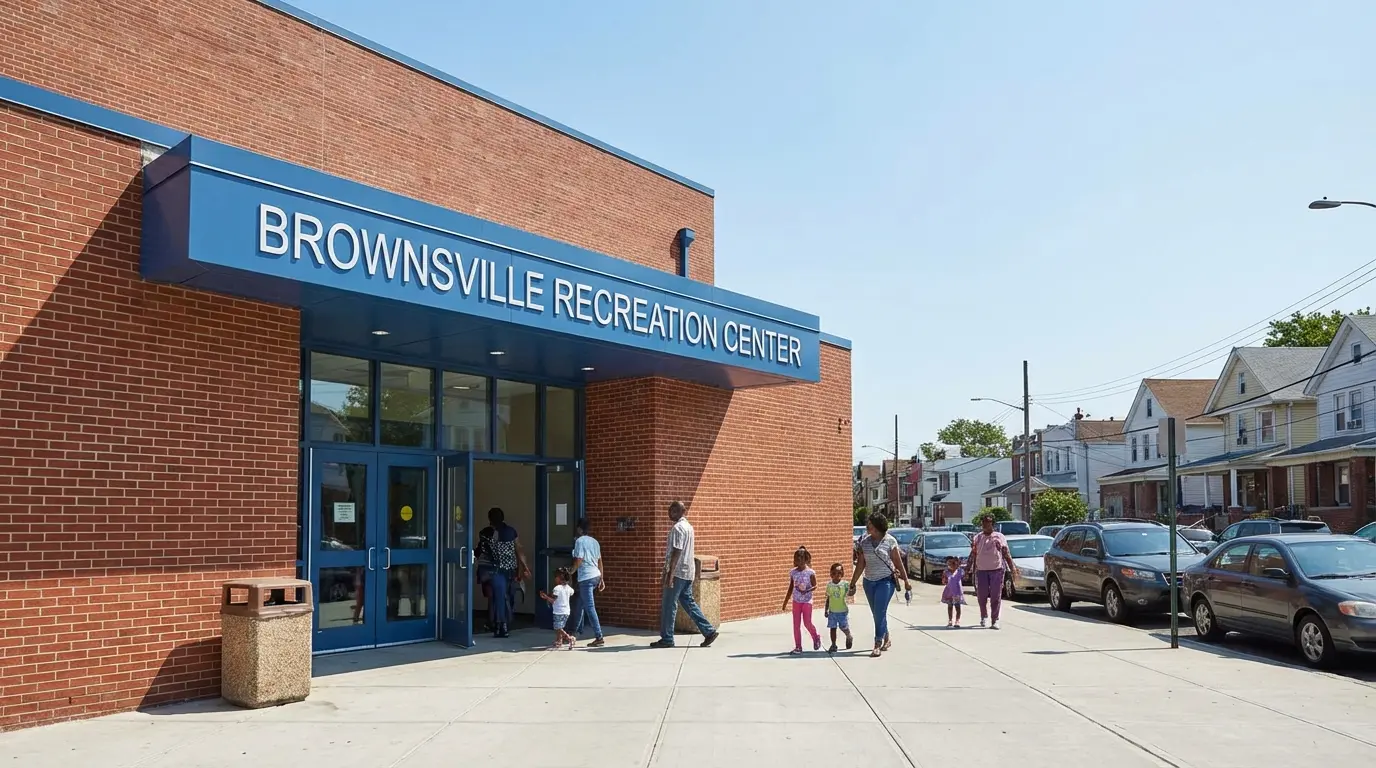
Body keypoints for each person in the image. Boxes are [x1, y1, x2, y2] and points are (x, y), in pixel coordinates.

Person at [650, 500, 719, 648]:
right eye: (670, 510)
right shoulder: (689, 527)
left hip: (678, 573)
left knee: (669, 605)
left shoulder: (678, 528)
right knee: (688, 603)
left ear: (681, 512)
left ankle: (667, 638)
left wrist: (670, 575)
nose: (670, 513)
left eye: (673, 511)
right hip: (688, 572)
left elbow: (677, 551)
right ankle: (709, 631)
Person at [849, 512, 911, 657]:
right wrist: (853, 582)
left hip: (886, 581)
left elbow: (898, 562)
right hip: (869, 582)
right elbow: (861, 564)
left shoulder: (890, 541)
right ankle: (886, 637)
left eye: (870, 524)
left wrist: (906, 581)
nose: (867, 526)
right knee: (877, 613)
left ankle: (877, 643)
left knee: (879, 612)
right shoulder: (864, 542)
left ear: (877, 527)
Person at [478, 507, 531, 638]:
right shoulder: (511, 532)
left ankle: (500, 625)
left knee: (498, 598)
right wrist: (525, 568)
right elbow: (519, 550)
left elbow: (481, 550)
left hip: (494, 571)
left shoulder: (485, 533)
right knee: (508, 597)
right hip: (510, 570)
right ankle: (504, 623)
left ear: (490, 519)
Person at [969, 513, 1016, 629]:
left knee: (996, 596)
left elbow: (1006, 553)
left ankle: (995, 620)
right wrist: (967, 569)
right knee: (982, 595)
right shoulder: (977, 538)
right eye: (983, 522)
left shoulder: (999, 537)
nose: (985, 524)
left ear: (992, 524)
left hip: (996, 570)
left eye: (988, 522)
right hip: (981, 570)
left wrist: (1012, 568)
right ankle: (983, 616)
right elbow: (973, 554)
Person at [570, 518, 606, 647]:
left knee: (590, 607)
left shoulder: (579, 541)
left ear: (579, 529)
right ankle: (574, 633)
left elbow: (579, 559)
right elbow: (600, 561)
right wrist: (602, 578)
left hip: (586, 577)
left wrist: (571, 571)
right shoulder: (595, 542)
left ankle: (599, 636)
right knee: (580, 604)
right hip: (595, 575)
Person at [781, 545, 821, 654]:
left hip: (807, 601)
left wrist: (807, 590)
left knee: (807, 622)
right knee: (796, 625)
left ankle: (816, 637)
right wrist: (785, 602)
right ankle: (798, 646)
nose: (799, 561)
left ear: (806, 559)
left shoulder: (810, 572)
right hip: (796, 601)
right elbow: (790, 587)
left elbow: (815, 585)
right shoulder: (793, 572)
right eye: (797, 558)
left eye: (801, 558)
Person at [538, 567, 576, 650]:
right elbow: (572, 593)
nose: (555, 579)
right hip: (566, 611)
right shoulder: (569, 588)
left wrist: (546, 597)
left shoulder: (557, 588)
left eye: (556, 577)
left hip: (558, 611)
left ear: (559, 578)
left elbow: (553, 600)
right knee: (560, 627)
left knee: (557, 628)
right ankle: (559, 641)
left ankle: (569, 638)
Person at [823, 562, 854, 653]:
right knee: (832, 628)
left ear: (842, 574)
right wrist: (826, 610)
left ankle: (849, 636)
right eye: (834, 573)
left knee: (843, 627)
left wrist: (853, 590)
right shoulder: (829, 585)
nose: (837, 575)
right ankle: (833, 644)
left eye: (839, 573)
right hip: (832, 611)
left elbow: (850, 593)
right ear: (831, 574)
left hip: (842, 611)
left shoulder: (845, 584)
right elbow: (828, 598)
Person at [940, 556, 966, 628]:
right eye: (949, 564)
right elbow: (944, 582)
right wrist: (944, 579)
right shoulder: (946, 572)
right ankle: (950, 620)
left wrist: (959, 563)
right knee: (950, 606)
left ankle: (957, 620)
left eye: (953, 563)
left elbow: (965, 576)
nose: (951, 565)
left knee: (957, 606)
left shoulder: (959, 572)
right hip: (949, 592)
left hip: (957, 592)